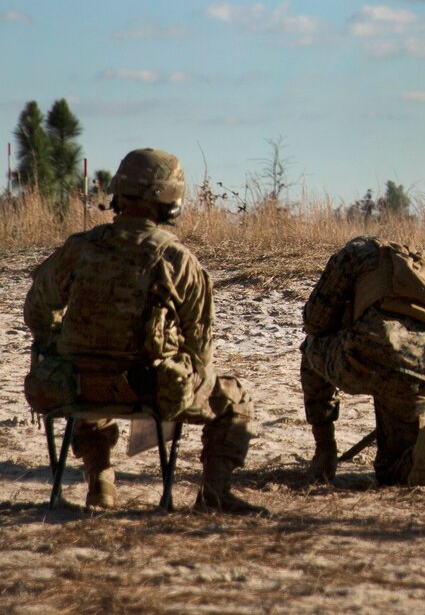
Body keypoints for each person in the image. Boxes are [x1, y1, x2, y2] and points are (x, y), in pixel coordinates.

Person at [23, 148, 265, 514]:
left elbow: (37, 310)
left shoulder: (79, 249)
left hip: (75, 387)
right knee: (235, 397)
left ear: (119, 193)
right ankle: (214, 492)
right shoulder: (178, 261)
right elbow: (200, 351)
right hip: (149, 389)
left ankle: (100, 482)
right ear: (169, 200)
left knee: (89, 372)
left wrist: (62, 343)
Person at [300, 237, 425, 488]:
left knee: (311, 346)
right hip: (423, 371)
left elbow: (315, 320)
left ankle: (325, 451)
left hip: (365, 360)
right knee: (390, 471)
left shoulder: (355, 254)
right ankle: (413, 461)